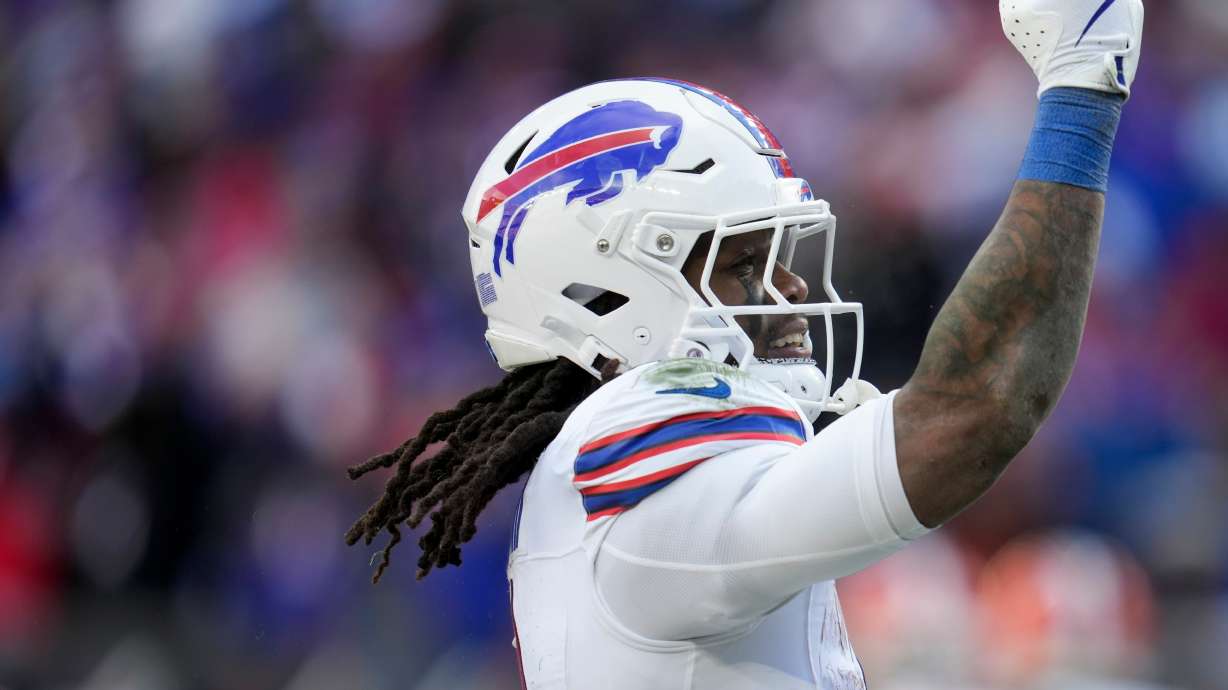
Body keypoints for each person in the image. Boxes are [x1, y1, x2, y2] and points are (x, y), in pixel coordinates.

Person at [345, 0, 1145, 687]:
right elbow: (974, 408)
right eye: (742, 263)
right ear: (608, 293)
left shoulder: (597, 474)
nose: (791, 289)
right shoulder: (634, 440)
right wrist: (1080, 90)